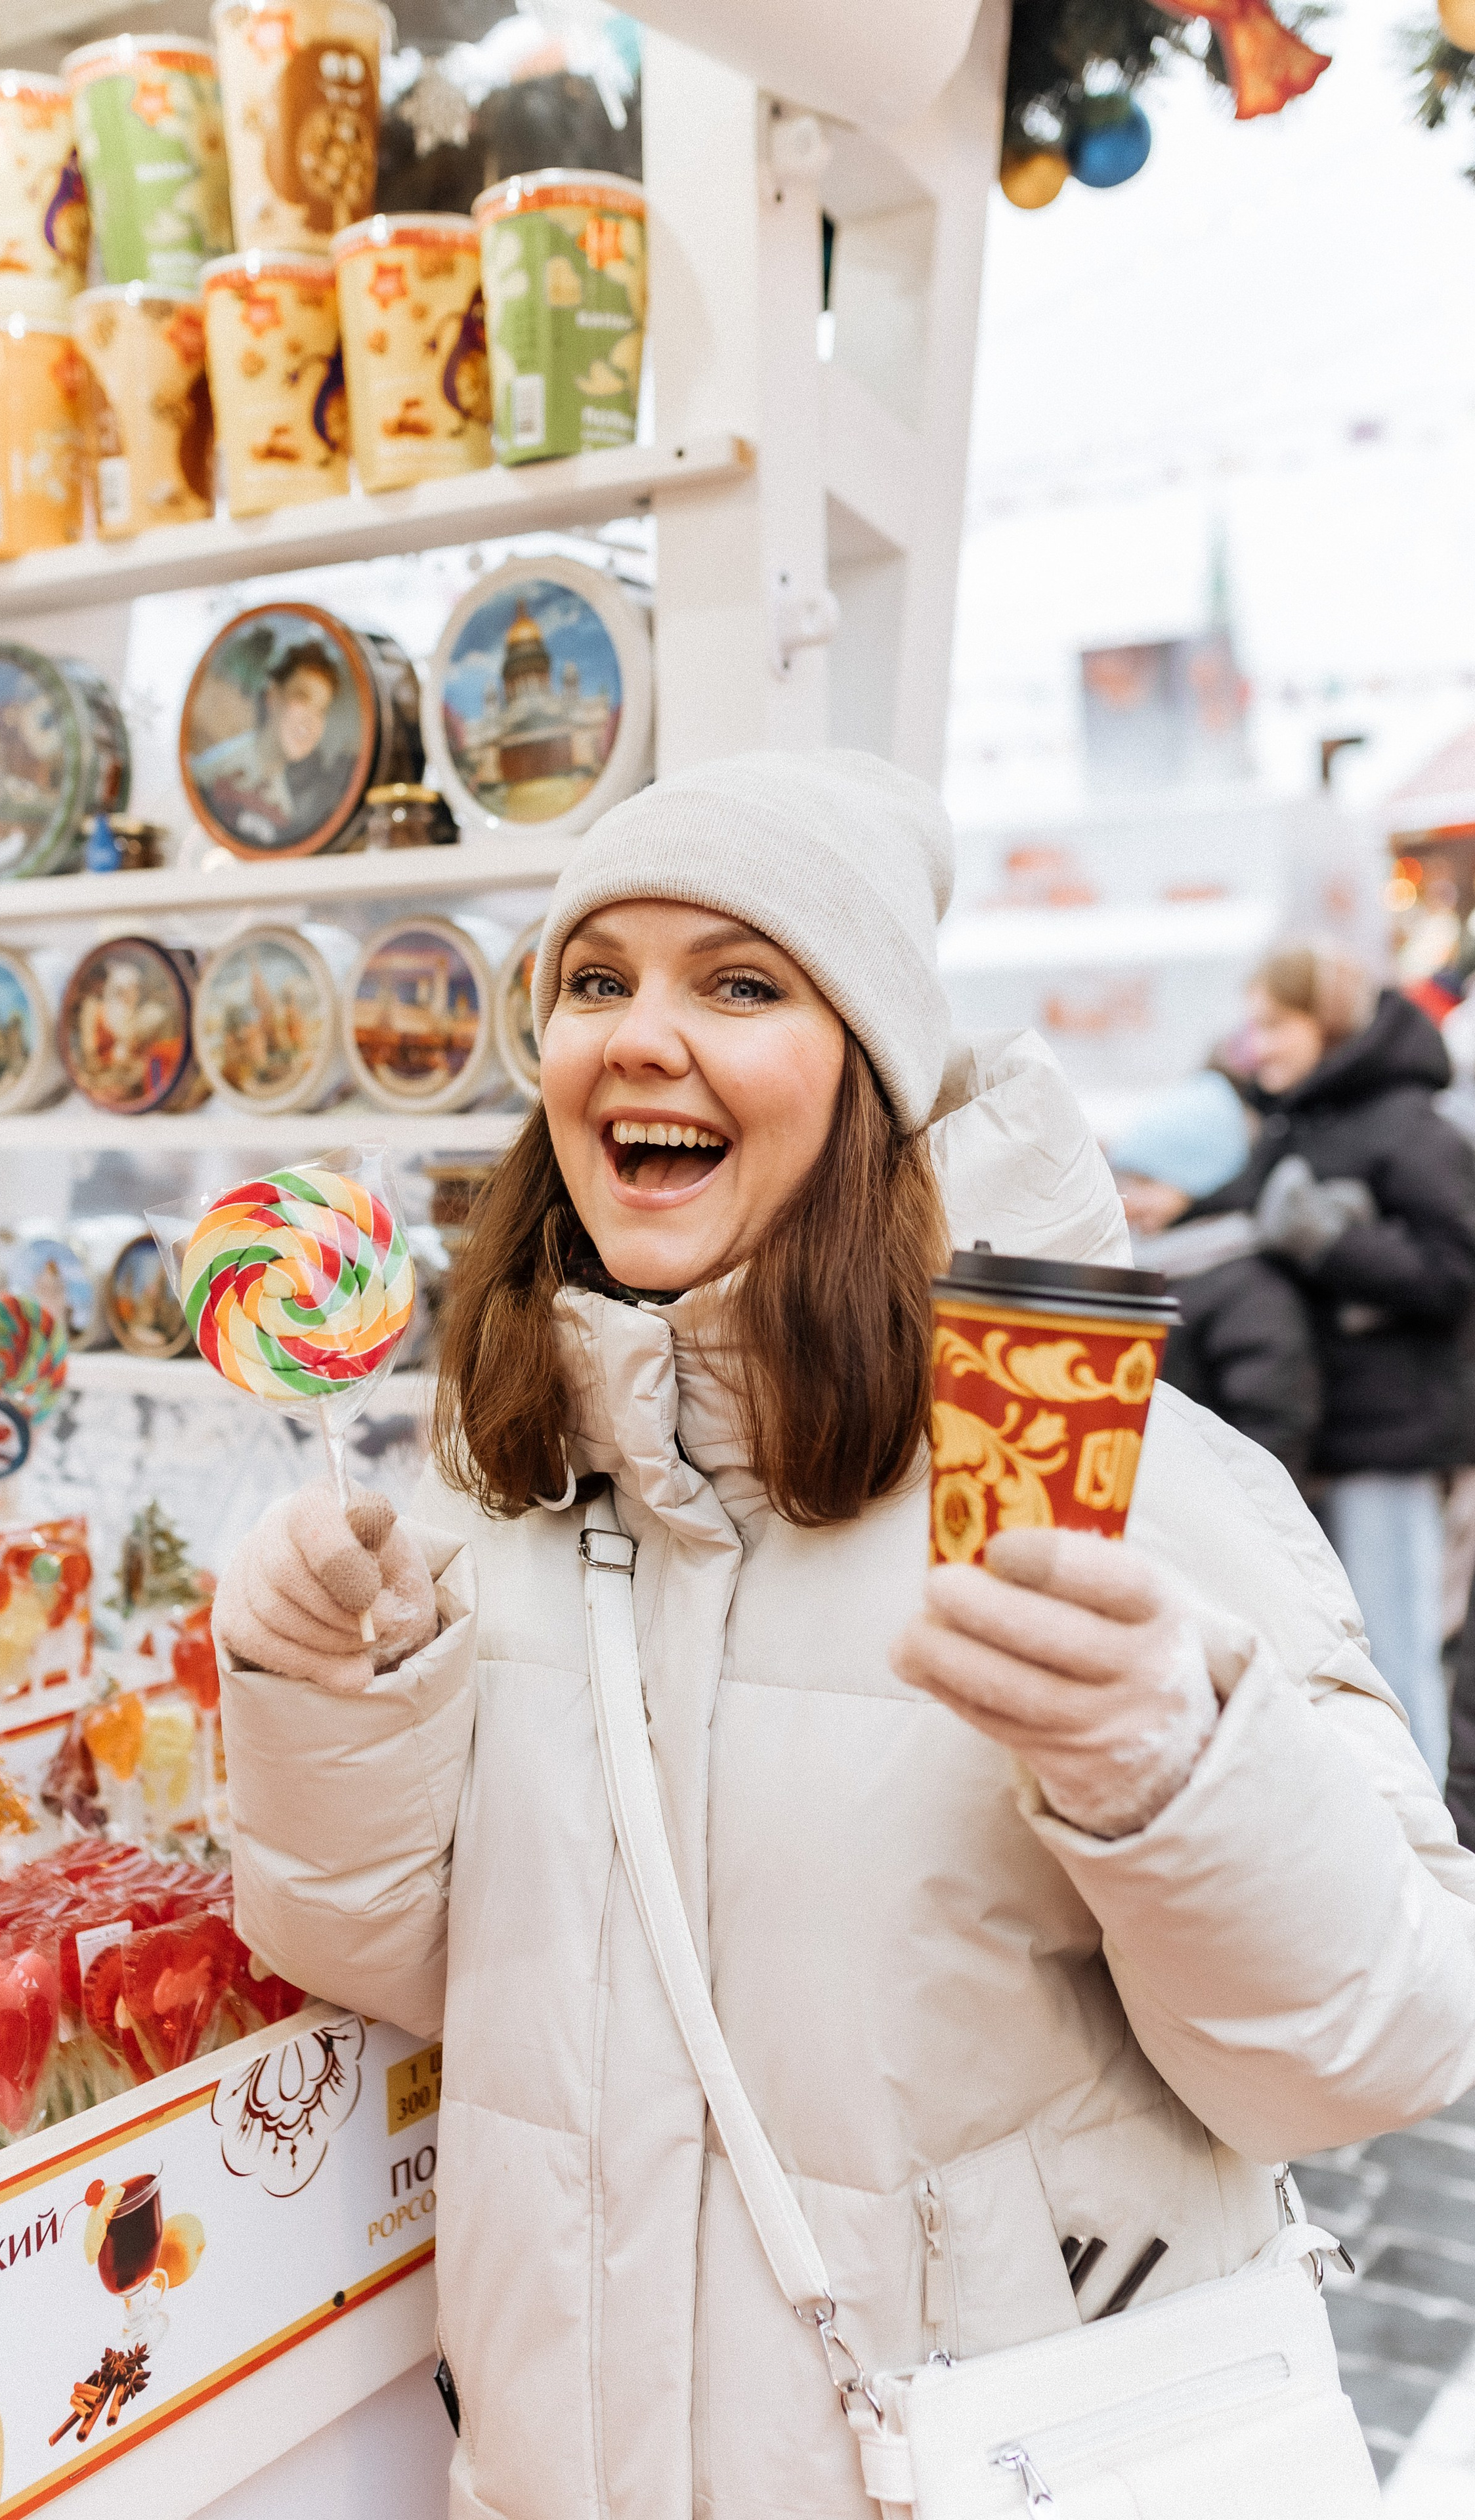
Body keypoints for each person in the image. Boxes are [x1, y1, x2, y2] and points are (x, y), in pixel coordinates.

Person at [214, 755, 1475, 2520]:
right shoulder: (485, 1482)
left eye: (741, 983)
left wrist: (1177, 1779)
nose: (642, 1035)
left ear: (871, 1076)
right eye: (597, 980)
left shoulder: (1087, 1477)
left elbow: (1377, 2047)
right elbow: (408, 1976)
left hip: (987, 2471)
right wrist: (327, 1702)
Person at [1191, 943, 1475, 1786]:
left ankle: (1428, 1857)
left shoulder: (1406, 1126)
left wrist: (1333, 1242)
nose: (1258, 1046)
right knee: (1350, 1655)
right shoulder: (1303, 1121)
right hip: (1328, 1437)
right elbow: (1247, 1217)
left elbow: (1456, 1267)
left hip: (1391, 1440)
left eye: (1275, 1024)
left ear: (1329, 1023)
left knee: (1397, 1656)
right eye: (1252, 1028)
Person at [1109, 1071, 1322, 1479]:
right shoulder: (1166, 1269)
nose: (1129, 1202)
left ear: (1202, 1180)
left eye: (1148, 1182)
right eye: (1126, 1181)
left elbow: (1274, 1424)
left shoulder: (1249, 1289)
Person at [190, 641, 354, 849]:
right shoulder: (208, 771)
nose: (311, 721)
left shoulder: (286, 809)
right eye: (303, 699)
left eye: (321, 711)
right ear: (273, 696)